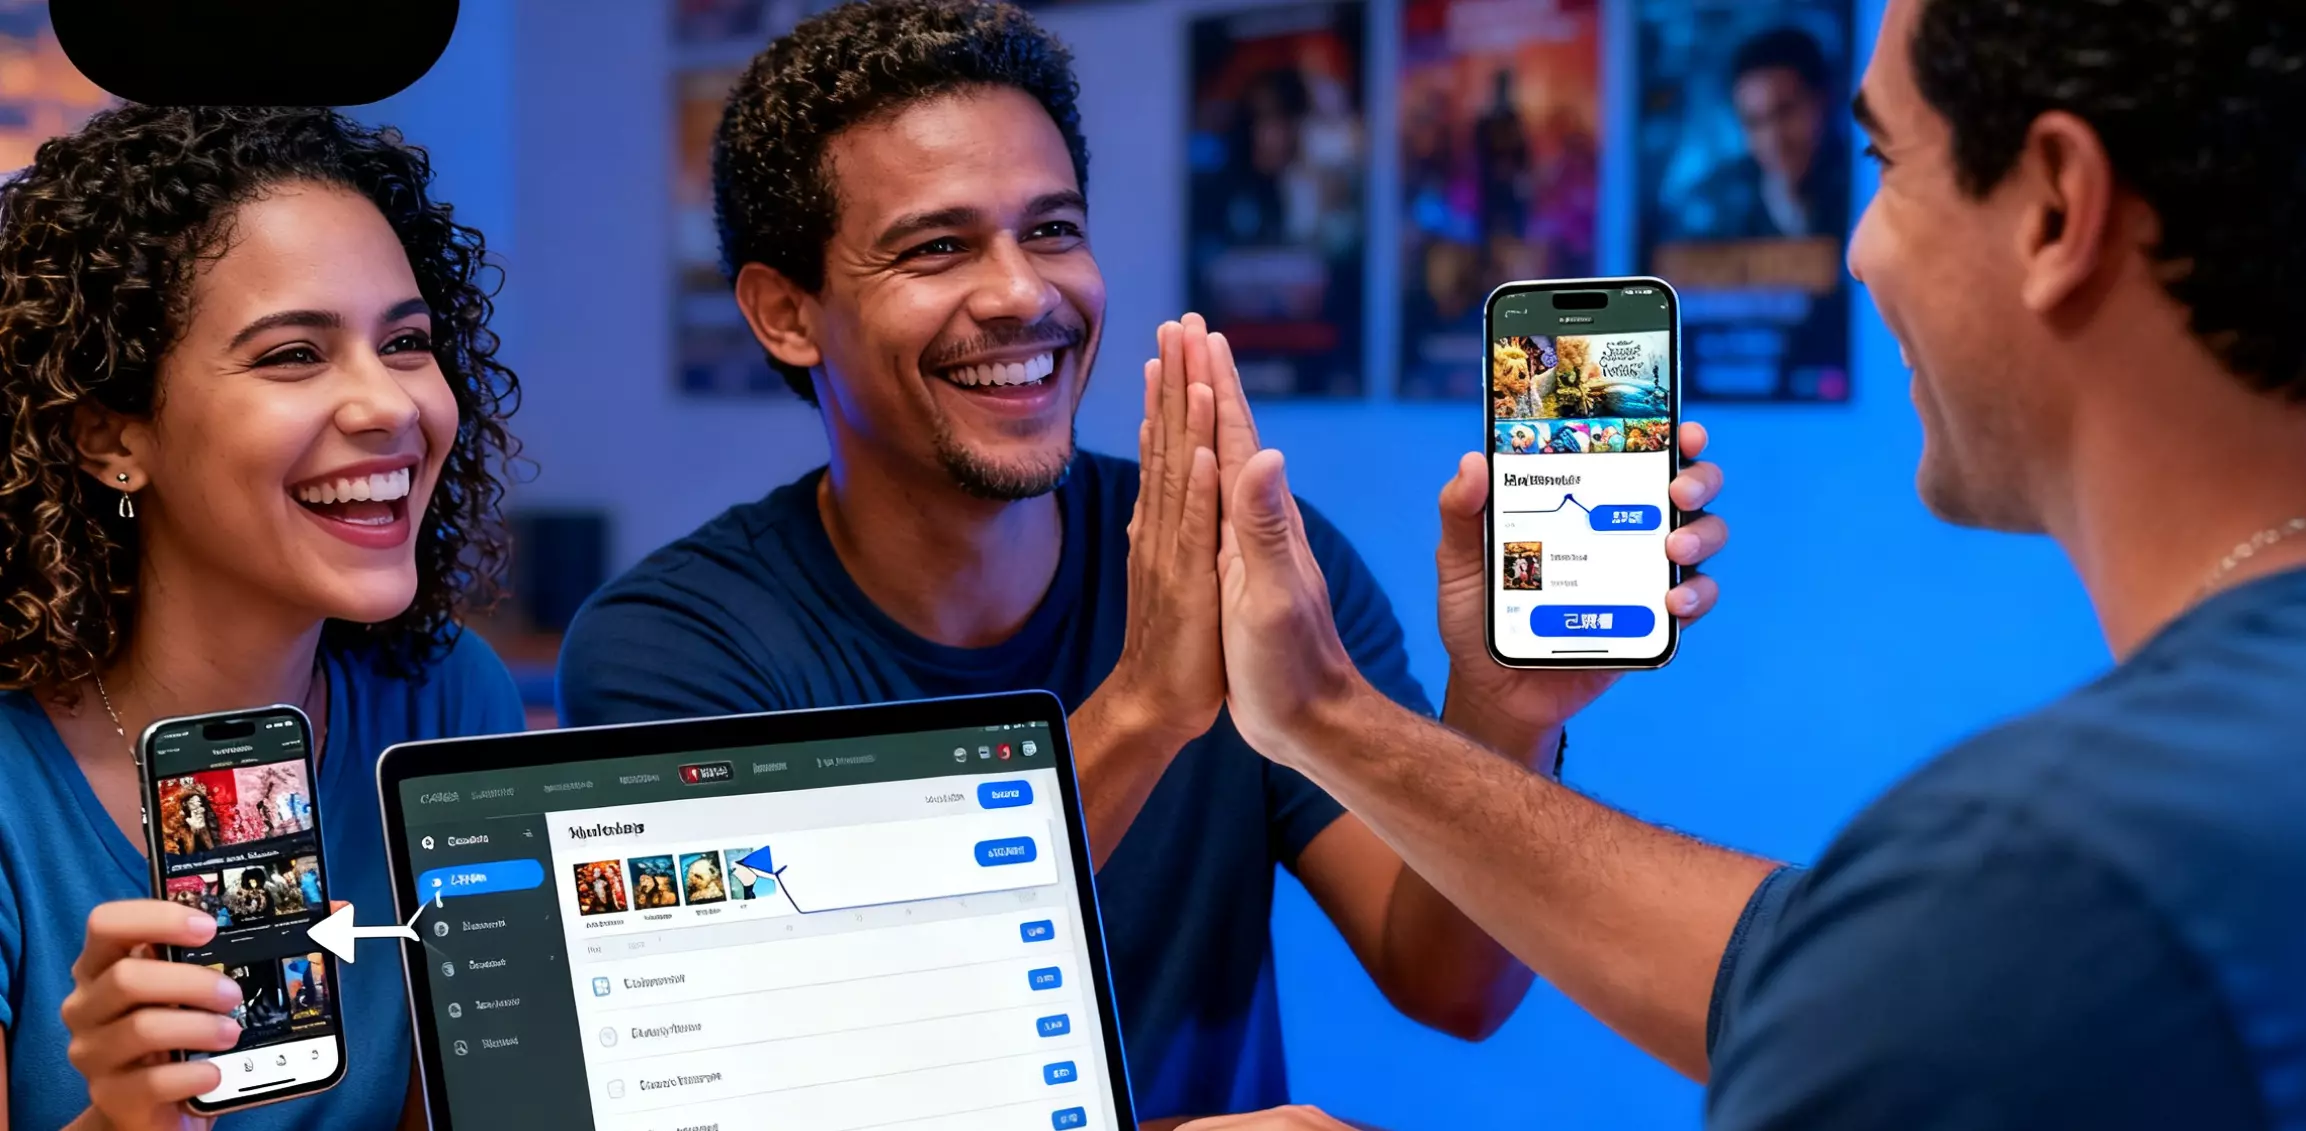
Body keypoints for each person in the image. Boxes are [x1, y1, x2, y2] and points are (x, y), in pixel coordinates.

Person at [552, 0, 1730, 1125]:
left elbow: (1452, 981)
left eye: (1052, 229)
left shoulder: (1261, 561)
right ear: (785, 313)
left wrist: (1503, 710)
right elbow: (791, 1066)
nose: (1021, 293)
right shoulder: (673, 650)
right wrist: (1151, 706)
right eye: (937, 247)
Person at [1191, 0, 2306, 1126]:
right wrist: (1327, 717)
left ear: (2057, 207)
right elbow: (1852, 972)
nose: (1859, 251)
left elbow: (1944, 970)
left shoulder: (2063, 872)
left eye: (1889, 163)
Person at [0, 104, 528, 1130]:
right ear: (113, 434)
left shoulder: (448, 695)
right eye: (294, 355)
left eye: (408, 342)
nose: (390, 407)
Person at [1674, 26, 1849, 242]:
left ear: (1823, 101)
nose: (1773, 139)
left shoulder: (1863, 182)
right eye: (1754, 122)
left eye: (1785, 112)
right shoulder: (1713, 202)